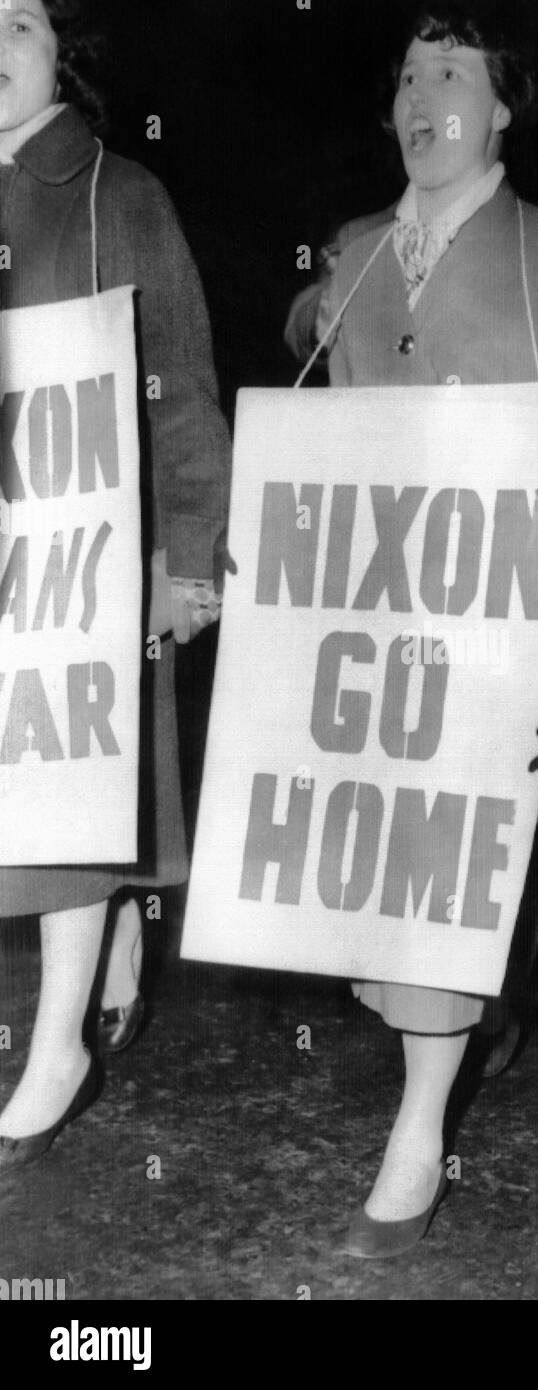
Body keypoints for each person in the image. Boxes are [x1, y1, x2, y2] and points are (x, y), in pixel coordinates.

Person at [302, 2, 538, 1256]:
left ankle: (416, 1129)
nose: (418, 95)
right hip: (372, 631)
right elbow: (313, 421)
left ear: (501, 107)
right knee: (391, 883)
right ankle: (464, 1033)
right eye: (406, 73)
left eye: (448, 72)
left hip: (504, 633)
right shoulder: (344, 259)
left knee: (452, 886)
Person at [0, 0, 231, 1164]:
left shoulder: (117, 193)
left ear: (65, 56)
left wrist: (190, 559)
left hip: (83, 561)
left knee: (66, 782)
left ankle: (57, 1047)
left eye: (17, 22)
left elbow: (182, 381)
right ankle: (120, 930)